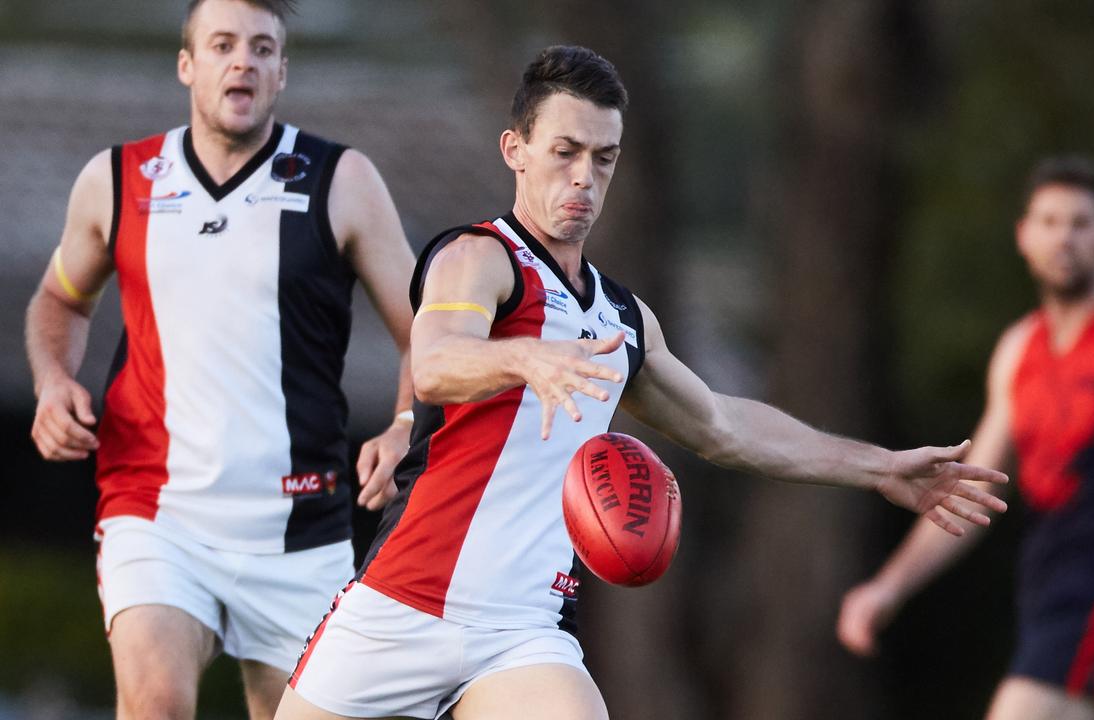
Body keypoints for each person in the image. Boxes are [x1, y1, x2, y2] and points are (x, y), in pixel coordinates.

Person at [276, 44, 1009, 720]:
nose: (583, 177)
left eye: (603, 158)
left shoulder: (621, 317)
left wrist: (879, 467)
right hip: (399, 607)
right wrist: (527, 358)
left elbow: (723, 426)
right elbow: (436, 363)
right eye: (564, 152)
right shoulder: (479, 260)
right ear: (517, 151)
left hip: (520, 630)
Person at [24, 0, 417, 717]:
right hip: (157, 512)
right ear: (188, 65)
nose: (244, 60)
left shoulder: (342, 180)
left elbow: (427, 329)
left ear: (281, 72)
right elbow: (59, 299)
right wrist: (53, 381)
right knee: (155, 704)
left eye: (263, 48)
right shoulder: (118, 179)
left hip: (300, 525)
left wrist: (404, 422)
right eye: (224, 44)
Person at [836, 157, 1094, 720]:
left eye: (1081, 224)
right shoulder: (1018, 352)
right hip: (1041, 597)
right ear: (1024, 237)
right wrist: (888, 587)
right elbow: (966, 492)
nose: (1064, 238)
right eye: (1050, 222)